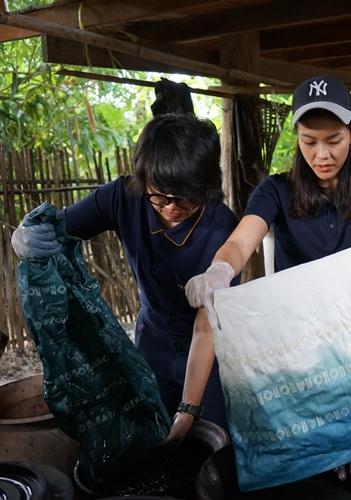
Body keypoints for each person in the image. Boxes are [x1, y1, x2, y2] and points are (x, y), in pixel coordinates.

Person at [11, 113, 237, 442]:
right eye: (159, 196)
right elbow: (58, 229)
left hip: (210, 349)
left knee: (212, 442)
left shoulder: (221, 225)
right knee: (149, 436)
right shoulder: (122, 198)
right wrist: (26, 235)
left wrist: (188, 412)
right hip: (153, 341)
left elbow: (208, 323)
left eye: (185, 200)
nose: (171, 207)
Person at [185, 74, 351, 315]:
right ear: (297, 135)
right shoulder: (275, 190)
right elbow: (239, 243)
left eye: (334, 141)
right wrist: (219, 271)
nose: (322, 155)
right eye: (309, 141)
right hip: (297, 324)